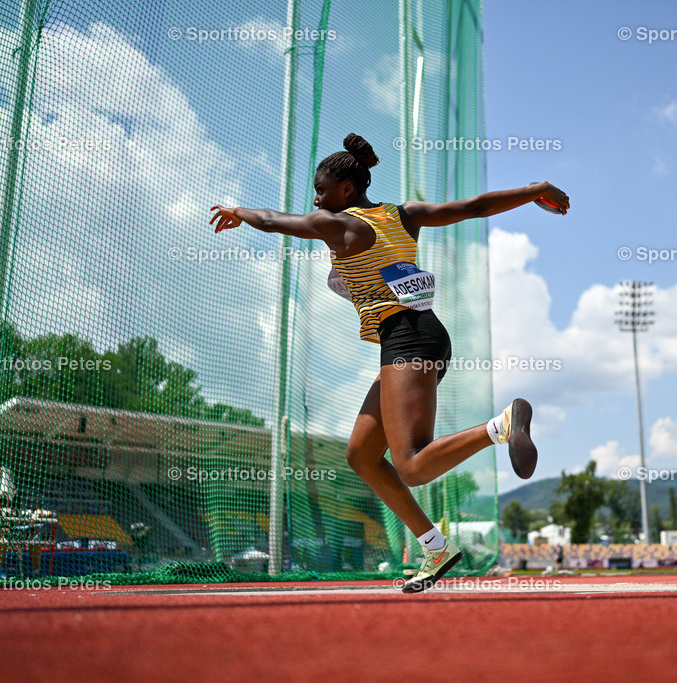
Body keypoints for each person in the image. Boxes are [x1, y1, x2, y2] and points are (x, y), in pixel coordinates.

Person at [211, 134, 570, 592]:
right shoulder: (404, 215)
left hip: (408, 341)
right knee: (362, 454)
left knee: (412, 466)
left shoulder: (335, 224)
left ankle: (500, 426)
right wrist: (534, 189)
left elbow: (274, 220)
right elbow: (475, 207)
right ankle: (436, 546)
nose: (316, 199)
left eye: (321, 190)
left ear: (345, 190)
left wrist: (238, 211)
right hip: (417, 337)